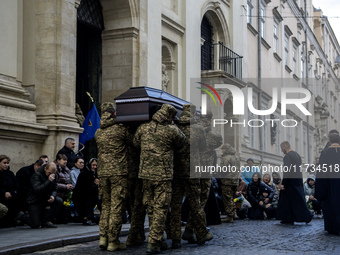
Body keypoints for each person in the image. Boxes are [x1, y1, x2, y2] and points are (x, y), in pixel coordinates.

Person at [134, 104, 187, 254]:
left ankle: (157, 238)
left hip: (145, 174)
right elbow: (182, 143)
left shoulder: (143, 128)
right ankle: (154, 241)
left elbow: (135, 143)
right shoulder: (171, 130)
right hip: (163, 176)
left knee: (150, 207)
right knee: (160, 208)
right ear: (170, 117)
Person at [170, 104, 211, 249]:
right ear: (194, 113)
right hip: (193, 170)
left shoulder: (174, 127)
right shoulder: (198, 129)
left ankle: (175, 238)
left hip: (175, 171)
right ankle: (201, 232)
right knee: (195, 202)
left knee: (175, 205)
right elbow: (203, 147)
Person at [95, 102, 131, 252]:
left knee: (105, 207)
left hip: (103, 173)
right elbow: (133, 142)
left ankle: (103, 237)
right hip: (118, 172)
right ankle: (113, 241)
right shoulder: (121, 130)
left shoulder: (98, 132)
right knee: (116, 207)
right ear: (113, 113)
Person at [276, 141, 312, 224]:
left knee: (288, 201)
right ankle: (292, 217)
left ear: (285, 147)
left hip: (290, 182)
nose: (281, 150)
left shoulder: (287, 156)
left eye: (282, 148)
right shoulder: (297, 155)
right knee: (297, 200)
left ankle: (304, 216)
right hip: (297, 180)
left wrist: (283, 183)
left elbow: (287, 171)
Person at [315, 134, 340, 235]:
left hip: (330, 185)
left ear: (329, 140)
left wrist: (320, 190)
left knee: (331, 206)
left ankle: (333, 227)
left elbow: (322, 172)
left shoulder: (325, 153)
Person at [25, 162, 62, 228]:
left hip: (45, 198)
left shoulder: (54, 175)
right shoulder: (37, 175)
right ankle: (22, 216)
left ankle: (46, 220)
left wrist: (53, 196)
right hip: (35, 200)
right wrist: (48, 181)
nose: (51, 175)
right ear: (45, 168)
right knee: (35, 225)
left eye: (53, 173)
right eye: (49, 172)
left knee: (58, 201)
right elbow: (37, 190)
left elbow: (55, 188)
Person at [72, 158, 99, 226]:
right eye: (93, 165)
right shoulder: (84, 173)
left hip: (88, 195)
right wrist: (95, 185)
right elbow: (86, 188)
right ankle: (85, 218)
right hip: (81, 196)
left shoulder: (95, 174)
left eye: (96, 165)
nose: (95, 167)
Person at [220, 143, 240, 223]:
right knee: (232, 197)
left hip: (227, 181)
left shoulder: (225, 158)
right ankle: (234, 214)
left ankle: (230, 216)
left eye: (223, 149)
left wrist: (216, 171)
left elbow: (222, 168)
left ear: (226, 149)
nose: (222, 151)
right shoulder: (236, 157)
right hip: (235, 181)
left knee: (227, 199)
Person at [0, 155, 19, 228]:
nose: (6, 165)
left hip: (10, 196)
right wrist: (4, 193)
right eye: (4, 163)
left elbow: (15, 185)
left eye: (7, 163)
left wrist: (11, 193)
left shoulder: (10, 174)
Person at [55, 154, 73, 223]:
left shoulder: (66, 170)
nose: (65, 162)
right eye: (64, 160)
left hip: (64, 194)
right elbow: (54, 184)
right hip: (58, 193)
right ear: (58, 161)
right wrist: (65, 186)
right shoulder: (55, 169)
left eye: (66, 160)